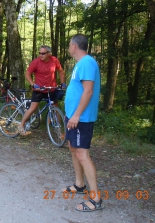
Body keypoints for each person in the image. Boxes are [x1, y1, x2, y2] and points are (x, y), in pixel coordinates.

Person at [61, 34, 102, 212]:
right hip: (73, 116)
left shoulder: (87, 63)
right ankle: (79, 185)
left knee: (82, 155)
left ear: (75, 46)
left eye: (70, 44)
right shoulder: (81, 64)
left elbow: (88, 91)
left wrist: (77, 115)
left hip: (81, 119)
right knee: (73, 148)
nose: (69, 47)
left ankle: (96, 199)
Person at [18, 45, 66, 136]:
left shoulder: (54, 60)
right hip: (39, 89)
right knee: (33, 108)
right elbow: (27, 73)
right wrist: (33, 84)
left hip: (51, 89)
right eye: (39, 53)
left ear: (49, 53)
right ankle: (21, 125)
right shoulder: (36, 62)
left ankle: (58, 128)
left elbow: (60, 71)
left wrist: (63, 83)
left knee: (55, 107)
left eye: (43, 53)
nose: (41, 55)